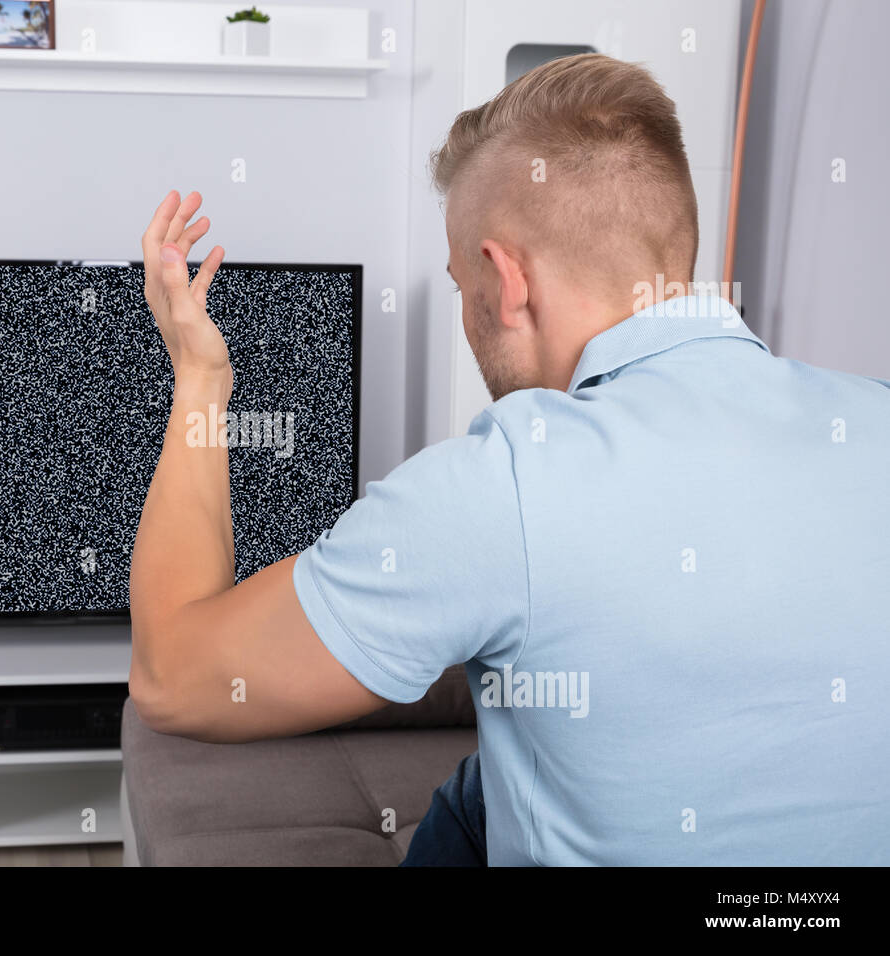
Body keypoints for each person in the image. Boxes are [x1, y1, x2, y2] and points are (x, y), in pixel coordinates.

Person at [127, 53, 890, 866]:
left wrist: (200, 376)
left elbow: (173, 675)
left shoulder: (504, 485)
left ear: (506, 278)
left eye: (461, 286)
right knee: (489, 778)